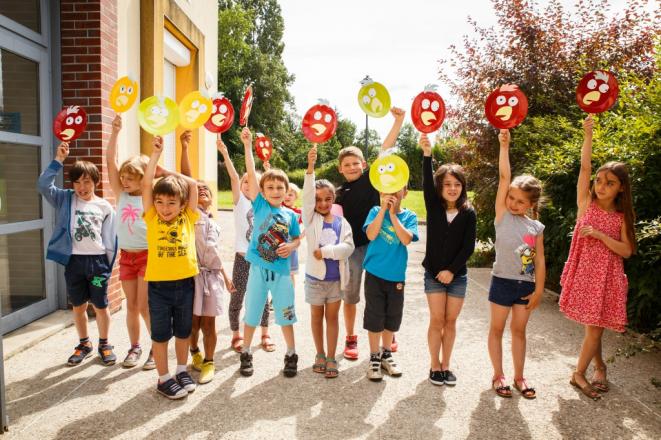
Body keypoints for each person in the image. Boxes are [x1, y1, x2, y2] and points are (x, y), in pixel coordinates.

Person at [559, 115, 635, 400]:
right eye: (599, 181)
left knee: (595, 326)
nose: (601, 186)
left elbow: (627, 250)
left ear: (621, 188)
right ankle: (599, 366)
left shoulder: (620, 217)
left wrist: (602, 236)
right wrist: (588, 136)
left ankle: (579, 373)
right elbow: (585, 166)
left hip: (607, 278)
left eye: (610, 183)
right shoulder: (585, 203)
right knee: (595, 326)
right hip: (585, 274)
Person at [37, 142, 117, 366]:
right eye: (78, 182)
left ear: (95, 182)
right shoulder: (66, 198)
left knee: (101, 306)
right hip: (74, 262)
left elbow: (110, 239)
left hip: (98, 262)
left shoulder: (104, 207)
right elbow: (43, 185)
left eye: (87, 182)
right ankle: (84, 343)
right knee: (79, 306)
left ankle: (104, 343)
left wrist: (108, 266)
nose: (82, 187)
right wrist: (58, 160)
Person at [335, 107, 406, 359]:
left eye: (356, 163)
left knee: (382, 291)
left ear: (363, 165)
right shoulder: (339, 192)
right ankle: (351, 338)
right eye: (347, 164)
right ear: (340, 168)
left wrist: (399, 121)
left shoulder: (372, 180)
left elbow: (385, 149)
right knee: (351, 296)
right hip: (352, 249)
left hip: (376, 245)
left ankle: (389, 333)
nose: (352, 167)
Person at [237, 127, 302, 378]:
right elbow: (252, 174)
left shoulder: (290, 215)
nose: (275, 190)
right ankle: (246, 351)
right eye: (271, 187)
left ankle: (291, 353)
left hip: (282, 273)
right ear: (263, 192)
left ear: (287, 191)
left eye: (280, 187)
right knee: (252, 312)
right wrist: (247, 145)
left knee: (286, 313)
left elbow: (297, 239)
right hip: (258, 270)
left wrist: (292, 246)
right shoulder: (260, 203)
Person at [488, 129, 545, 399]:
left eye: (520, 201)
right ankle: (498, 375)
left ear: (531, 204)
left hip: (525, 285)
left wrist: (539, 290)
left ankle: (519, 377)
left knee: (519, 332)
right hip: (501, 281)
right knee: (497, 330)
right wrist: (504, 146)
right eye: (511, 198)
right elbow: (504, 178)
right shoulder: (502, 216)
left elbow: (540, 259)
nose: (513, 203)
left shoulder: (536, 227)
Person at [142, 135, 199, 399]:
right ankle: (163, 378)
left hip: (186, 284)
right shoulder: (152, 217)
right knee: (162, 332)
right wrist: (155, 157)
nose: (164, 208)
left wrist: (168, 172)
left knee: (183, 331)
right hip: (159, 286)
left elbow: (193, 184)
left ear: (182, 204)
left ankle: (181, 370)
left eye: (171, 202)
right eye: (160, 202)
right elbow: (145, 185)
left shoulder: (188, 216)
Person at [419, 134, 476, 386]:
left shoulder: (468, 212)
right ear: (440, 187)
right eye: (447, 184)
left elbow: (468, 246)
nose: (453, 188)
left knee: (450, 322)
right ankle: (434, 365)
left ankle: (446, 365)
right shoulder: (433, 207)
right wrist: (427, 155)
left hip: (457, 277)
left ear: (463, 186)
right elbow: (426, 181)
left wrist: (452, 271)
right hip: (433, 273)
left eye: (457, 184)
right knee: (437, 320)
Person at [179, 130, 235, 384]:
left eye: (206, 189)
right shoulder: (190, 215)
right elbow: (188, 181)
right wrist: (184, 148)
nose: (201, 190)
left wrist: (225, 275)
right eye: (197, 189)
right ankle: (195, 353)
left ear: (212, 198)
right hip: (191, 274)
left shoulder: (213, 219)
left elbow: (214, 252)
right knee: (192, 324)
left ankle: (210, 362)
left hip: (211, 275)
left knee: (209, 324)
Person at [106, 114, 155, 369]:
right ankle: (135, 347)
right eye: (123, 176)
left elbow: (150, 178)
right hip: (127, 257)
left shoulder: (148, 195)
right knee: (132, 306)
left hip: (147, 256)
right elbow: (110, 163)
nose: (124, 180)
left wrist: (155, 154)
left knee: (145, 306)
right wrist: (115, 133)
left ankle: (155, 349)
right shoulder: (120, 193)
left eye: (130, 177)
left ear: (142, 178)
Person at [217, 137, 274, 353]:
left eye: (253, 181)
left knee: (262, 298)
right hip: (242, 258)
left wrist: (268, 168)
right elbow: (232, 175)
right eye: (245, 181)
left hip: (261, 259)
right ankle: (236, 334)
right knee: (237, 297)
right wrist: (224, 153)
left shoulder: (265, 204)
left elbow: (275, 184)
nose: (248, 184)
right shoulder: (239, 201)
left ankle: (265, 334)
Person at [303, 145, 355, 379]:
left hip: (335, 282)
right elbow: (306, 196)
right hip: (314, 280)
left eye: (327, 199)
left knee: (332, 319)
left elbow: (348, 248)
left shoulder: (342, 222)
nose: (322, 203)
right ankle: (320, 354)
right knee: (316, 318)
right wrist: (310, 168)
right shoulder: (310, 219)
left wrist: (325, 252)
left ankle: (332, 356)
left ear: (334, 199)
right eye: (318, 199)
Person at [363, 179, 418, 381]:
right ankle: (374, 357)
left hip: (396, 276)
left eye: (397, 189)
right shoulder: (374, 211)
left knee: (392, 317)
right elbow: (370, 234)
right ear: (380, 192)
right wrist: (383, 211)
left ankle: (386, 353)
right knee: (374, 316)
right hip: (374, 274)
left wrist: (393, 215)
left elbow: (405, 239)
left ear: (405, 192)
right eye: (388, 190)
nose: (392, 194)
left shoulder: (409, 216)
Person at [283, 182, 303, 282]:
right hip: (279, 244)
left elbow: (307, 227)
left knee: (290, 273)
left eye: (290, 194)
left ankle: (290, 295)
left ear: (296, 197)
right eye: (285, 193)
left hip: (291, 245)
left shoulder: (298, 213)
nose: (287, 196)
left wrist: (300, 237)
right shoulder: (280, 207)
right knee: (277, 273)